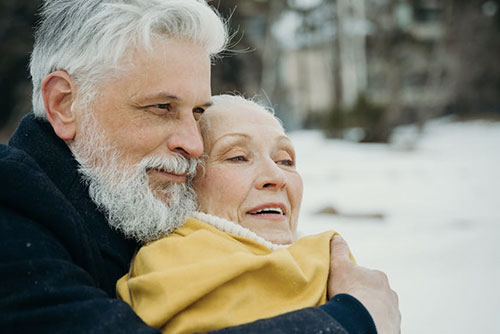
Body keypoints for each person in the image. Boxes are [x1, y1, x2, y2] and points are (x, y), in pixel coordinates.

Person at [0, 1, 400, 334]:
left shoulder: (138, 208)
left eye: (196, 112)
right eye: (161, 107)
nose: (193, 144)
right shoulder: (11, 218)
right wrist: (351, 319)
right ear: (64, 104)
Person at [116, 95, 362, 333]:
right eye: (238, 157)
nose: (276, 177)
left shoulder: (330, 264)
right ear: (184, 180)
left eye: (285, 161)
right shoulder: (168, 268)